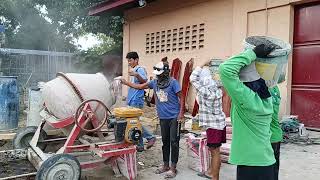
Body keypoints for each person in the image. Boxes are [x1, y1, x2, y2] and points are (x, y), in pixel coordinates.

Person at [219, 44, 276, 180]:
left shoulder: (246, 99)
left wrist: (252, 53)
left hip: (251, 165)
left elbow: (225, 69)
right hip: (266, 161)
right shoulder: (267, 98)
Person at [121, 59, 183, 179]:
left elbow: (182, 97)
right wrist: (126, 83)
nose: (157, 76)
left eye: (159, 74)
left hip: (174, 117)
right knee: (165, 142)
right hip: (163, 117)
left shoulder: (173, 82)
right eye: (156, 74)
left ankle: (173, 168)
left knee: (174, 142)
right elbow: (139, 86)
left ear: (165, 73)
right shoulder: (154, 83)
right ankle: (165, 165)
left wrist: (181, 113)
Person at [190, 66, 226, 180]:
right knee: (216, 150)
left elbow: (192, 78)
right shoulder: (218, 89)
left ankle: (215, 177)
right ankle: (211, 171)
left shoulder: (205, 91)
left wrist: (201, 64)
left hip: (213, 126)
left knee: (214, 152)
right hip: (220, 123)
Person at [125, 52, 156, 152]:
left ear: (136, 60)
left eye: (130, 60)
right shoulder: (133, 70)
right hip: (132, 99)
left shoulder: (140, 69)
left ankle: (150, 137)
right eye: (128, 61)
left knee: (134, 122)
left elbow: (145, 82)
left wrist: (137, 75)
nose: (129, 62)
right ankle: (140, 145)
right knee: (133, 122)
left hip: (137, 99)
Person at [269, 85, 283, 180]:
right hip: (276, 134)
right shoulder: (275, 88)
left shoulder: (263, 88)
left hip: (269, 136)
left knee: (269, 170)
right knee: (274, 169)